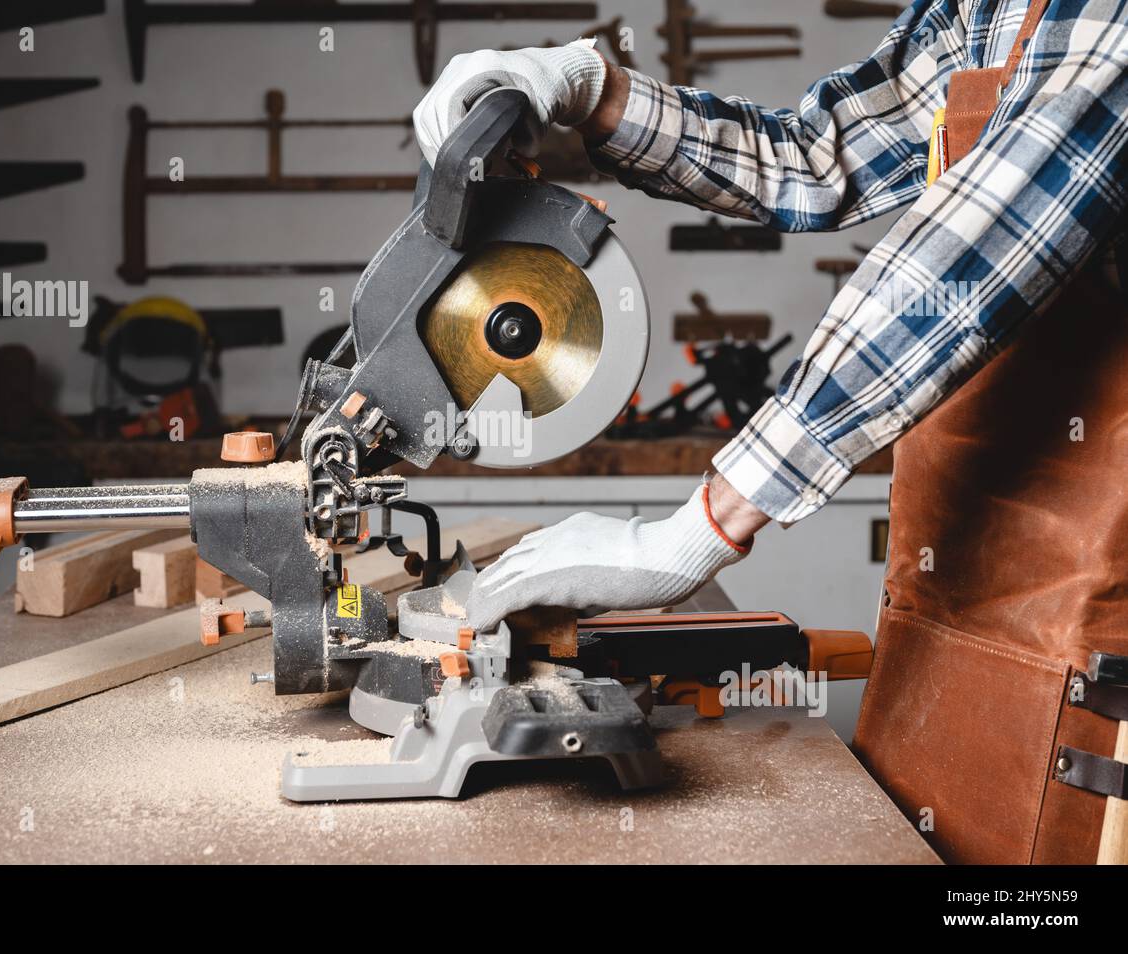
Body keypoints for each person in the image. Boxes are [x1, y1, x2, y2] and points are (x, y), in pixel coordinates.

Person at [414, 0, 1128, 864]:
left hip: (1103, 641)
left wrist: (700, 527)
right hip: (962, 592)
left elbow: (970, 258)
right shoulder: (979, 10)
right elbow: (814, 158)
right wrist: (589, 88)